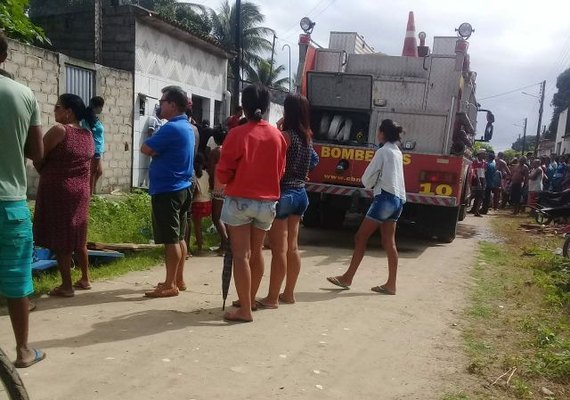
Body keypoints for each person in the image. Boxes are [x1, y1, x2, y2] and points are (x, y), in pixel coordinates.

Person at [216, 84, 287, 322]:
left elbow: (224, 171)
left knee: (241, 255)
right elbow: (280, 171)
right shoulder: (278, 136)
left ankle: (245, 309)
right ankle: (250, 300)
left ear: (243, 106)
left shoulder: (237, 134)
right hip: (267, 203)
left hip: (240, 201)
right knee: (257, 252)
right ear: (267, 107)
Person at [0, 32, 46, 368]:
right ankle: (23, 351)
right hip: (9, 203)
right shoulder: (24, 94)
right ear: (4, 57)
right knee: (17, 280)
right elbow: (37, 154)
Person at [326, 119, 406, 295]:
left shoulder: (383, 151)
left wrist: (369, 183)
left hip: (384, 198)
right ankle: (391, 284)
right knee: (389, 242)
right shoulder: (397, 152)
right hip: (398, 200)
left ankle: (348, 277)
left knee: (360, 237)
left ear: (382, 133)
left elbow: (366, 179)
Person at [258, 94, 318, 308]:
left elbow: (270, 157)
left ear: (287, 112)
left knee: (278, 249)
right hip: (301, 193)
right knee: (292, 247)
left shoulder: (285, 136)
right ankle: (288, 293)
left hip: (284, 193)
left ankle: (272, 297)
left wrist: (277, 128)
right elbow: (315, 160)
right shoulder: (306, 137)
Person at [33, 94, 95, 297]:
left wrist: (44, 169)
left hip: (59, 191)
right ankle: (85, 279)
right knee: (78, 235)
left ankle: (66, 286)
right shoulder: (87, 134)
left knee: (62, 239)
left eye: (57, 107)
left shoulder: (60, 130)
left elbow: (38, 155)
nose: (54, 111)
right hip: (81, 191)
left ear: (69, 112)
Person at [141, 86, 195, 298]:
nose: (160, 104)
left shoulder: (171, 128)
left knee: (171, 239)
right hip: (182, 187)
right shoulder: (186, 127)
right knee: (179, 236)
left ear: (172, 104)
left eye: (163, 101)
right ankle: (178, 279)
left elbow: (146, 148)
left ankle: (169, 284)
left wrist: (155, 151)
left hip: (168, 190)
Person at [207, 126, 228, 256]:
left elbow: (210, 171)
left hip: (218, 187)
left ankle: (225, 243)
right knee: (225, 218)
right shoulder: (231, 150)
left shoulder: (215, 152)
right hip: (230, 187)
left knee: (216, 217)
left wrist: (210, 186)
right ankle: (223, 244)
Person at [190, 153, 211, 254]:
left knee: (196, 226)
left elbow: (196, 191)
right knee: (200, 225)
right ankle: (200, 241)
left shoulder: (193, 174)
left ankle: (200, 248)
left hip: (197, 203)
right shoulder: (206, 173)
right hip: (207, 202)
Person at [84, 96, 105, 194]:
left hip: (98, 149)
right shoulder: (88, 120)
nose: (102, 109)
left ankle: (92, 190)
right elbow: (88, 134)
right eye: (101, 107)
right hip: (94, 149)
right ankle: (90, 194)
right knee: (92, 172)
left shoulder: (94, 119)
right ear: (97, 107)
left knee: (99, 171)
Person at [139, 104, 163, 187]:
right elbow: (150, 132)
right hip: (152, 146)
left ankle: (150, 183)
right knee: (151, 165)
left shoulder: (160, 121)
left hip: (158, 147)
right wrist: (151, 145)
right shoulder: (153, 119)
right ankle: (147, 184)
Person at [468, 150, 487, 217]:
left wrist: (483, 181)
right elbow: (475, 172)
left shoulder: (484, 162)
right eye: (483, 154)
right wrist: (478, 181)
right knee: (474, 194)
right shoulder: (475, 161)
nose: (485, 155)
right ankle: (473, 209)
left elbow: (484, 172)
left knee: (479, 197)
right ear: (479, 154)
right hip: (476, 179)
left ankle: (476, 211)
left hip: (482, 179)